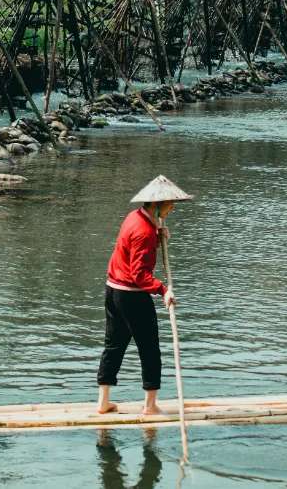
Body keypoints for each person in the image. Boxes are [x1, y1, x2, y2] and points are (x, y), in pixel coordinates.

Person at [96, 175, 192, 415]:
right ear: (157, 205)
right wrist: (163, 290)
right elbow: (139, 274)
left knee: (114, 345)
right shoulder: (144, 231)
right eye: (170, 204)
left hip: (113, 290)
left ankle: (103, 402)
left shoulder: (135, 218)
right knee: (149, 348)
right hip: (132, 296)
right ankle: (150, 406)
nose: (172, 208)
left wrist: (158, 235)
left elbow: (134, 251)